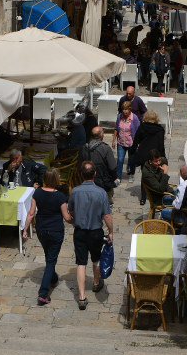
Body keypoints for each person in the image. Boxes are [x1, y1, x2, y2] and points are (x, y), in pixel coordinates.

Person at [66, 161, 113, 310]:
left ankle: (81, 297)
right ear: (94, 174)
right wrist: (111, 231)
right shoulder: (101, 193)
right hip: (95, 232)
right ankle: (96, 283)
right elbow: (107, 216)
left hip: (79, 231)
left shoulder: (75, 191)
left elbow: (70, 211)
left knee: (81, 263)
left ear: (81, 174)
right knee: (96, 259)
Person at [23, 168, 71, 305]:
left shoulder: (37, 193)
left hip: (42, 230)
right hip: (55, 231)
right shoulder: (60, 197)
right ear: (55, 179)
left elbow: (31, 213)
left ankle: (53, 278)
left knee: (49, 256)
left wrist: (25, 229)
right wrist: (75, 218)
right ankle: (43, 293)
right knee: (51, 260)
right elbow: (66, 217)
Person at [131, 109, 167, 205]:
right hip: (155, 156)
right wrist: (163, 158)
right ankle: (155, 195)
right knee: (157, 176)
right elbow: (161, 145)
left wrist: (132, 152)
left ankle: (143, 197)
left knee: (145, 177)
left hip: (144, 156)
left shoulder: (142, 128)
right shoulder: (160, 130)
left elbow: (136, 141)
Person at [79, 126, 117, 199]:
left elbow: (79, 166)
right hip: (103, 183)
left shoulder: (84, 148)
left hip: (87, 182)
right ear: (101, 135)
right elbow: (113, 167)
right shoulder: (106, 148)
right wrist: (112, 179)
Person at [112, 100, 140, 183]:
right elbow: (116, 128)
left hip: (131, 143)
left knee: (131, 160)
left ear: (130, 109)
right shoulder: (119, 116)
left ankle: (132, 174)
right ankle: (118, 177)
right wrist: (113, 140)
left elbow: (138, 131)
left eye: (126, 109)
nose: (124, 111)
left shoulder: (134, 118)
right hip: (121, 142)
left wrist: (137, 143)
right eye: (123, 109)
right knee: (120, 160)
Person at [161, 162, 187, 228]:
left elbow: (177, 206)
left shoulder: (184, 186)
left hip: (185, 216)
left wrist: (174, 201)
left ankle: (174, 226)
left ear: (182, 173)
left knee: (164, 212)